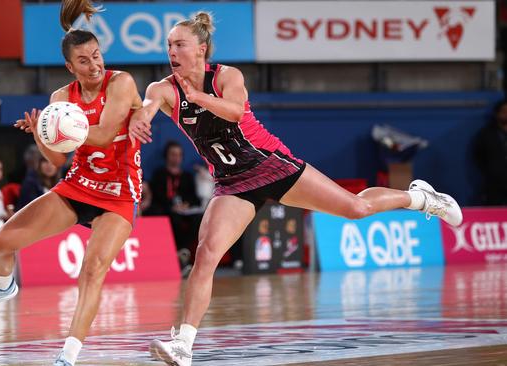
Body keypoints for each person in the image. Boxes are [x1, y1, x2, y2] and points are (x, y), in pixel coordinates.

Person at [128, 12, 464, 366]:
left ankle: (422, 198)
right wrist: (140, 119)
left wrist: (199, 96)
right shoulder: (162, 88)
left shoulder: (227, 76)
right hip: (231, 182)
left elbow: (235, 113)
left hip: (269, 163)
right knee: (206, 255)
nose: (172, 51)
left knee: (355, 209)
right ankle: (183, 345)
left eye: (180, 44)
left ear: (201, 49)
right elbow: (148, 107)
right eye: (168, 45)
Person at [0, 1, 143, 365]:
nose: (95, 65)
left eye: (96, 55)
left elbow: (105, 135)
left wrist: (63, 129)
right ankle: (2, 286)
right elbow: (58, 160)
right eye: (85, 61)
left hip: (119, 194)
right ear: (70, 67)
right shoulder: (60, 99)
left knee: (91, 271)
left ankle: (68, 355)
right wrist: (43, 135)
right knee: (0, 243)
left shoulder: (121, 83)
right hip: (77, 187)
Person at [149, 140, 202, 261]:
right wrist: (171, 206)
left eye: (179, 155)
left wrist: (186, 204)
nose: (176, 158)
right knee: (173, 218)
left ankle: (183, 249)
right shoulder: (159, 174)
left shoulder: (187, 176)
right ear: (166, 156)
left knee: (199, 218)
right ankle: (178, 251)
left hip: (184, 210)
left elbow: (194, 197)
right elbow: (156, 195)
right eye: (173, 154)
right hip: (167, 209)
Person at [474, 99, 507, 205]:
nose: (506, 114)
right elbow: (479, 157)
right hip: (495, 184)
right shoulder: (487, 134)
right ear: (497, 114)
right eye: (504, 111)